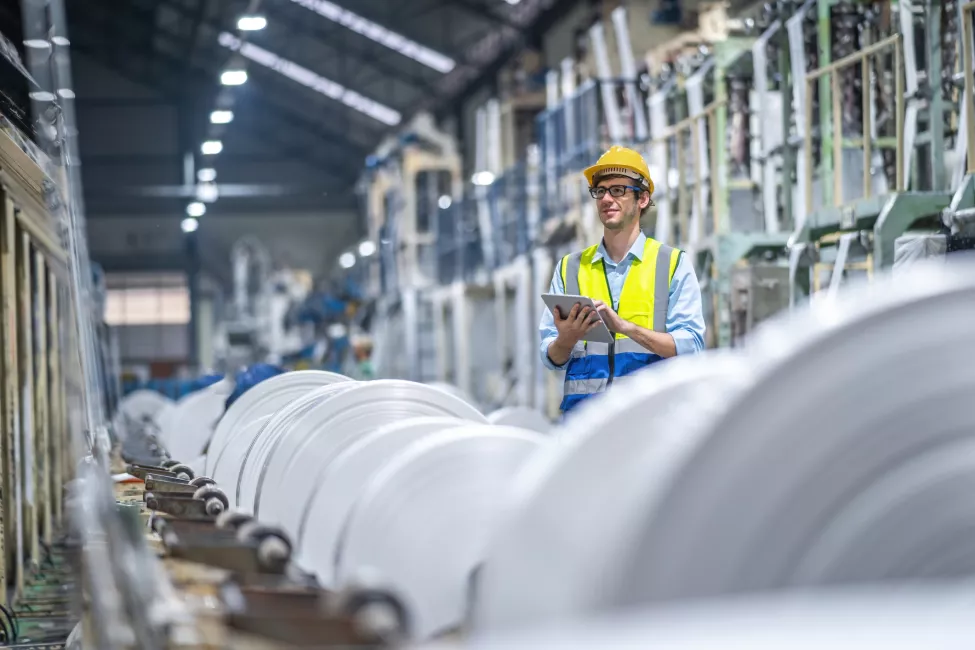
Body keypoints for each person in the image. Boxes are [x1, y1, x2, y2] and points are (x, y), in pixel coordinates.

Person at [538, 145, 706, 413]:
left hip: (649, 421)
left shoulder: (672, 264)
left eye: (618, 190)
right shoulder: (570, 268)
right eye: (600, 191)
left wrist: (625, 327)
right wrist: (566, 339)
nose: (606, 198)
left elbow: (690, 346)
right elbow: (550, 357)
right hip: (585, 424)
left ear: (642, 199)